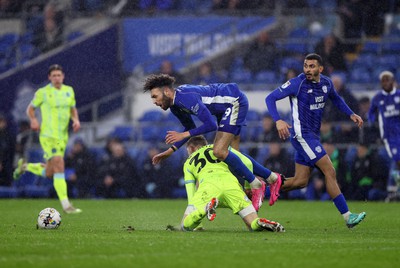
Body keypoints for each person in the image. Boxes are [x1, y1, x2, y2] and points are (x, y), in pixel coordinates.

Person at [143, 74, 283, 211]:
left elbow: (210, 125)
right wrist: (170, 151)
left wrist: (183, 135)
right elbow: (190, 128)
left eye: (155, 96)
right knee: (232, 155)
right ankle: (272, 177)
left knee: (219, 151)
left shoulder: (185, 98)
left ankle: (256, 184)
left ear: (167, 91)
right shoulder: (175, 106)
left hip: (234, 102)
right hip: (223, 109)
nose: (154, 101)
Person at [265, 53, 366, 228]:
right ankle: (348, 216)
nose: (307, 70)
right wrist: (278, 120)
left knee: (300, 181)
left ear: (320, 69)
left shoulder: (326, 83)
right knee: (330, 170)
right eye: (305, 66)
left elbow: (336, 99)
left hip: (312, 136)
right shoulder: (297, 83)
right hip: (302, 135)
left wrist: (351, 113)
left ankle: (256, 191)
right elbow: (270, 98)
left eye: (312, 66)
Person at [13, 64, 82, 214]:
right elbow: (30, 109)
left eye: (59, 75)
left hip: (62, 136)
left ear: (63, 76)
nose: (57, 78)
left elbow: (72, 108)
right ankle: (66, 205)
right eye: (54, 76)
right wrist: (33, 120)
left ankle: (25, 167)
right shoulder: (43, 92)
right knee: (60, 164)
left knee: (51, 171)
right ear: (49, 78)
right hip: (48, 135)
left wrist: (76, 120)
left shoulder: (69, 91)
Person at [180, 135, 285, 232]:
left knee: (185, 225)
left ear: (192, 148)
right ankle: (258, 222)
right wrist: (248, 186)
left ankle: (204, 209)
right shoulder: (219, 148)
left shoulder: (188, 163)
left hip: (209, 186)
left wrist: (196, 220)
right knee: (251, 224)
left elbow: (191, 195)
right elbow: (247, 163)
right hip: (230, 183)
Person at [367, 71, 400, 201]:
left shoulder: (398, 95)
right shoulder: (377, 98)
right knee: (397, 160)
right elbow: (371, 113)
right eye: (383, 81)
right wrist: (370, 121)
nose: (386, 83)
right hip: (389, 136)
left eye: (388, 80)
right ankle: (393, 190)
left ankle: (392, 189)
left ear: (393, 81)